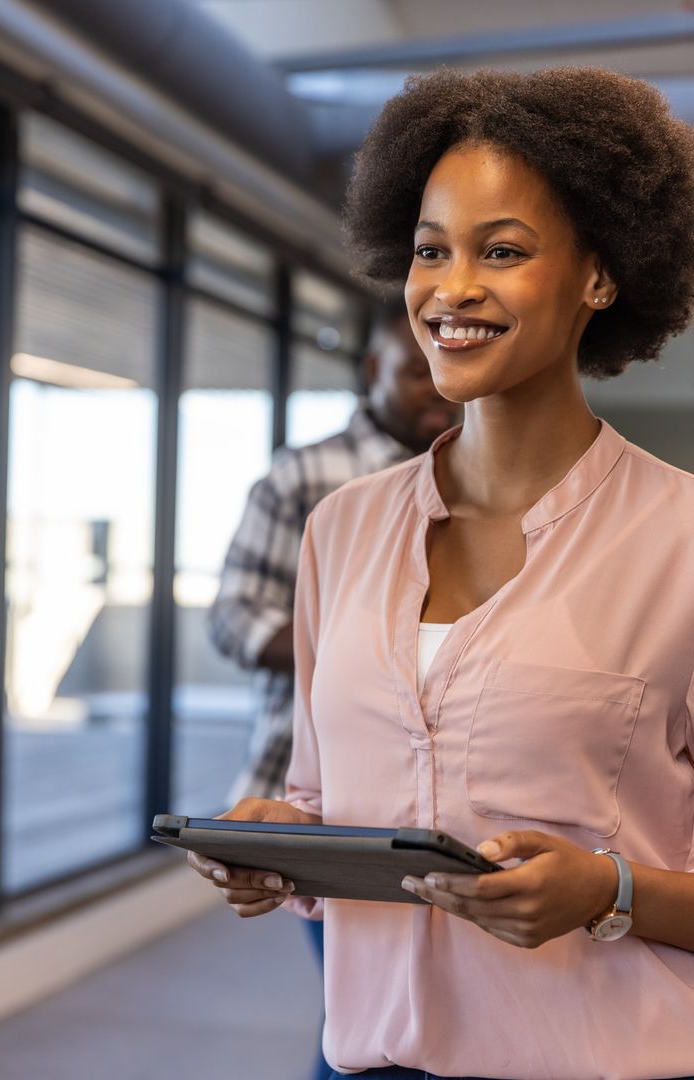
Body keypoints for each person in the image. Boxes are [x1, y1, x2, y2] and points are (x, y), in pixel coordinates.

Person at [189, 67, 694, 1080]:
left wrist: (609, 889)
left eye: (501, 251)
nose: (450, 288)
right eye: (430, 250)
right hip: (366, 1059)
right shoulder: (343, 528)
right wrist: (282, 845)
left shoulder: (682, 539)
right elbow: (325, 801)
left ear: (600, 275)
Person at [209, 304, 460, 803]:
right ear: (372, 370)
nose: (436, 385)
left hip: (437, 786)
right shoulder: (305, 476)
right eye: (416, 370)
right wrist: (371, 656)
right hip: (300, 776)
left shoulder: (479, 483)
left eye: (446, 367)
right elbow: (235, 618)